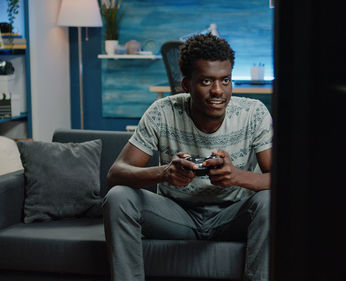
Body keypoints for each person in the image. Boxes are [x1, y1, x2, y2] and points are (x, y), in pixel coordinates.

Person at [103, 33, 273, 281]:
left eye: (225, 80)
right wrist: (164, 173)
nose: (218, 91)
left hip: (233, 217)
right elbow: (115, 174)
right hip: (176, 217)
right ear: (186, 85)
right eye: (206, 81)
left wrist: (236, 176)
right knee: (118, 197)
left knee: (270, 201)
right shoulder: (162, 112)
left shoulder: (253, 113)